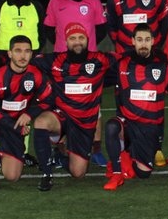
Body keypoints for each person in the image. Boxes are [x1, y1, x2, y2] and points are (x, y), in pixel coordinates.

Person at [31, 23, 116, 191]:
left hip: (84, 124)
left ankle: (60, 156)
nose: (77, 42)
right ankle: (47, 174)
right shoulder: (55, 60)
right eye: (72, 38)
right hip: (62, 117)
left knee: (78, 173)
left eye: (81, 38)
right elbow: (26, 62)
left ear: (87, 40)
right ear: (66, 41)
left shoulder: (100, 59)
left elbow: (128, 59)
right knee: (41, 122)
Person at [107, 0, 168, 166]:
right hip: (125, 56)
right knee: (124, 98)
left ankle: (157, 147)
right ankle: (127, 145)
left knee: (153, 99)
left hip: (149, 55)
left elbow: (164, 22)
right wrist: (125, 48)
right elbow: (112, 27)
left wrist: (154, 48)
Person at [44, 0, 108, 166]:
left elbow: (101, 28)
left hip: (88, 61)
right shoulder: (55, 2)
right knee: (62, 104)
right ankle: (60, 149)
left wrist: (84, 49)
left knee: (94, 106)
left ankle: (96, 149)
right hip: (63, 62)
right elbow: (48, 29)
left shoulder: (93, 1)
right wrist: (64, 47)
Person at [0, 35, 53, 190]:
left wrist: (29, 114)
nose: (23, 55)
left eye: (27, 51)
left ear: (31, 54)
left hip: (16, 123)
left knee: (12, 176)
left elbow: (49, 99)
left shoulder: (36, 74)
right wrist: (14, 126)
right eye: (18, 51)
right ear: (9, 53)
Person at [103, 24, 168, 190]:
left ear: (153, 41)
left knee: (143, 174)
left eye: (147, 40)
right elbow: (100, 80)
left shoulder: (163, 66)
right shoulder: (122, 64)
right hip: (127, 122)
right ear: (133, 41)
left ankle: (127, 155)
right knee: (112, 126)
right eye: (140, 39)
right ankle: (117, 172)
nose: (143, 44)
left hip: (148, 127)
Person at [0, 0, 46, 167]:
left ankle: (23, 151)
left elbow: (42, 33)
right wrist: (3, 56)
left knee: (25, 106)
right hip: (5, 63)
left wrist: (32, 55)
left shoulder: (36, 7)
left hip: (30, 63)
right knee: (1, 106)